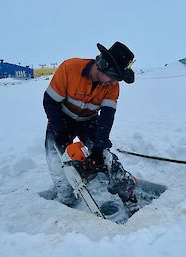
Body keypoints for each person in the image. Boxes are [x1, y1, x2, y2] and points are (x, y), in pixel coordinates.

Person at [43, 41, 139, 217]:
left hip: (88, 121)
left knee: (106, 157)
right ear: (103, 66)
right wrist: (62, 135)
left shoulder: (113, 86)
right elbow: (49, 102)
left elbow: (107, 116)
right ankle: (67, 201)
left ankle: (129, 198)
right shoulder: (70, 68)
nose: (113, 83)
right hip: (61, 119)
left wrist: (98, 147)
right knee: (56, 163)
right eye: (112, 78)